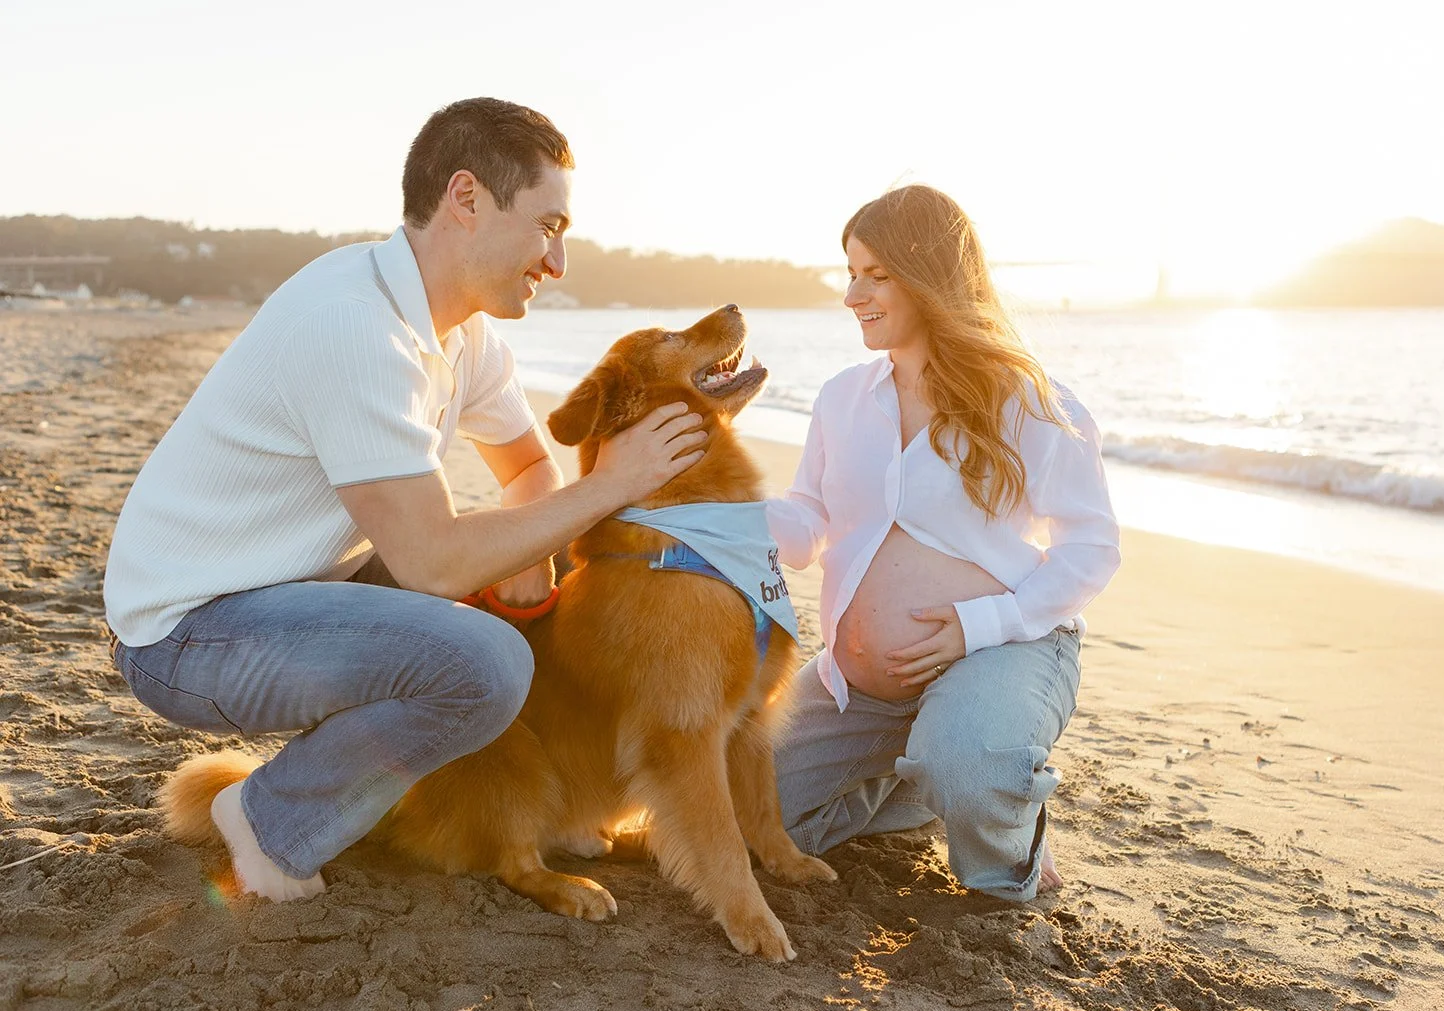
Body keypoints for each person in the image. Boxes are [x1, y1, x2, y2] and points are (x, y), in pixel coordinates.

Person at [103, 98, 706, 903]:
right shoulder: (356, 327)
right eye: (547, 226)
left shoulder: (464, 333)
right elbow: (430, 561)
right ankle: (269, 820)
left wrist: (534, 549)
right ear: (466, 198)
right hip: (184, 633)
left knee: (504, 597)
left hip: (290, 588)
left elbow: (529, 467)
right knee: (487, 665)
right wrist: (615, 484)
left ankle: (520, 810)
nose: (557, 262)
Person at [766, 185, 1120, 902]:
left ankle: (1005, 836)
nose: (851, 294)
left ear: (927, 275)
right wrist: (707, 507)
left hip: (1006, 649)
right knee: (756, 815)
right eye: (850, 272)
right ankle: (923, 787)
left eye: (875, 274)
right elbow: (806, 521)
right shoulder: (843, 398)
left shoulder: (1028, 401)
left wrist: (975, 626)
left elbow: (1092, 545)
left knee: (966, 766)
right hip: (859, 682)